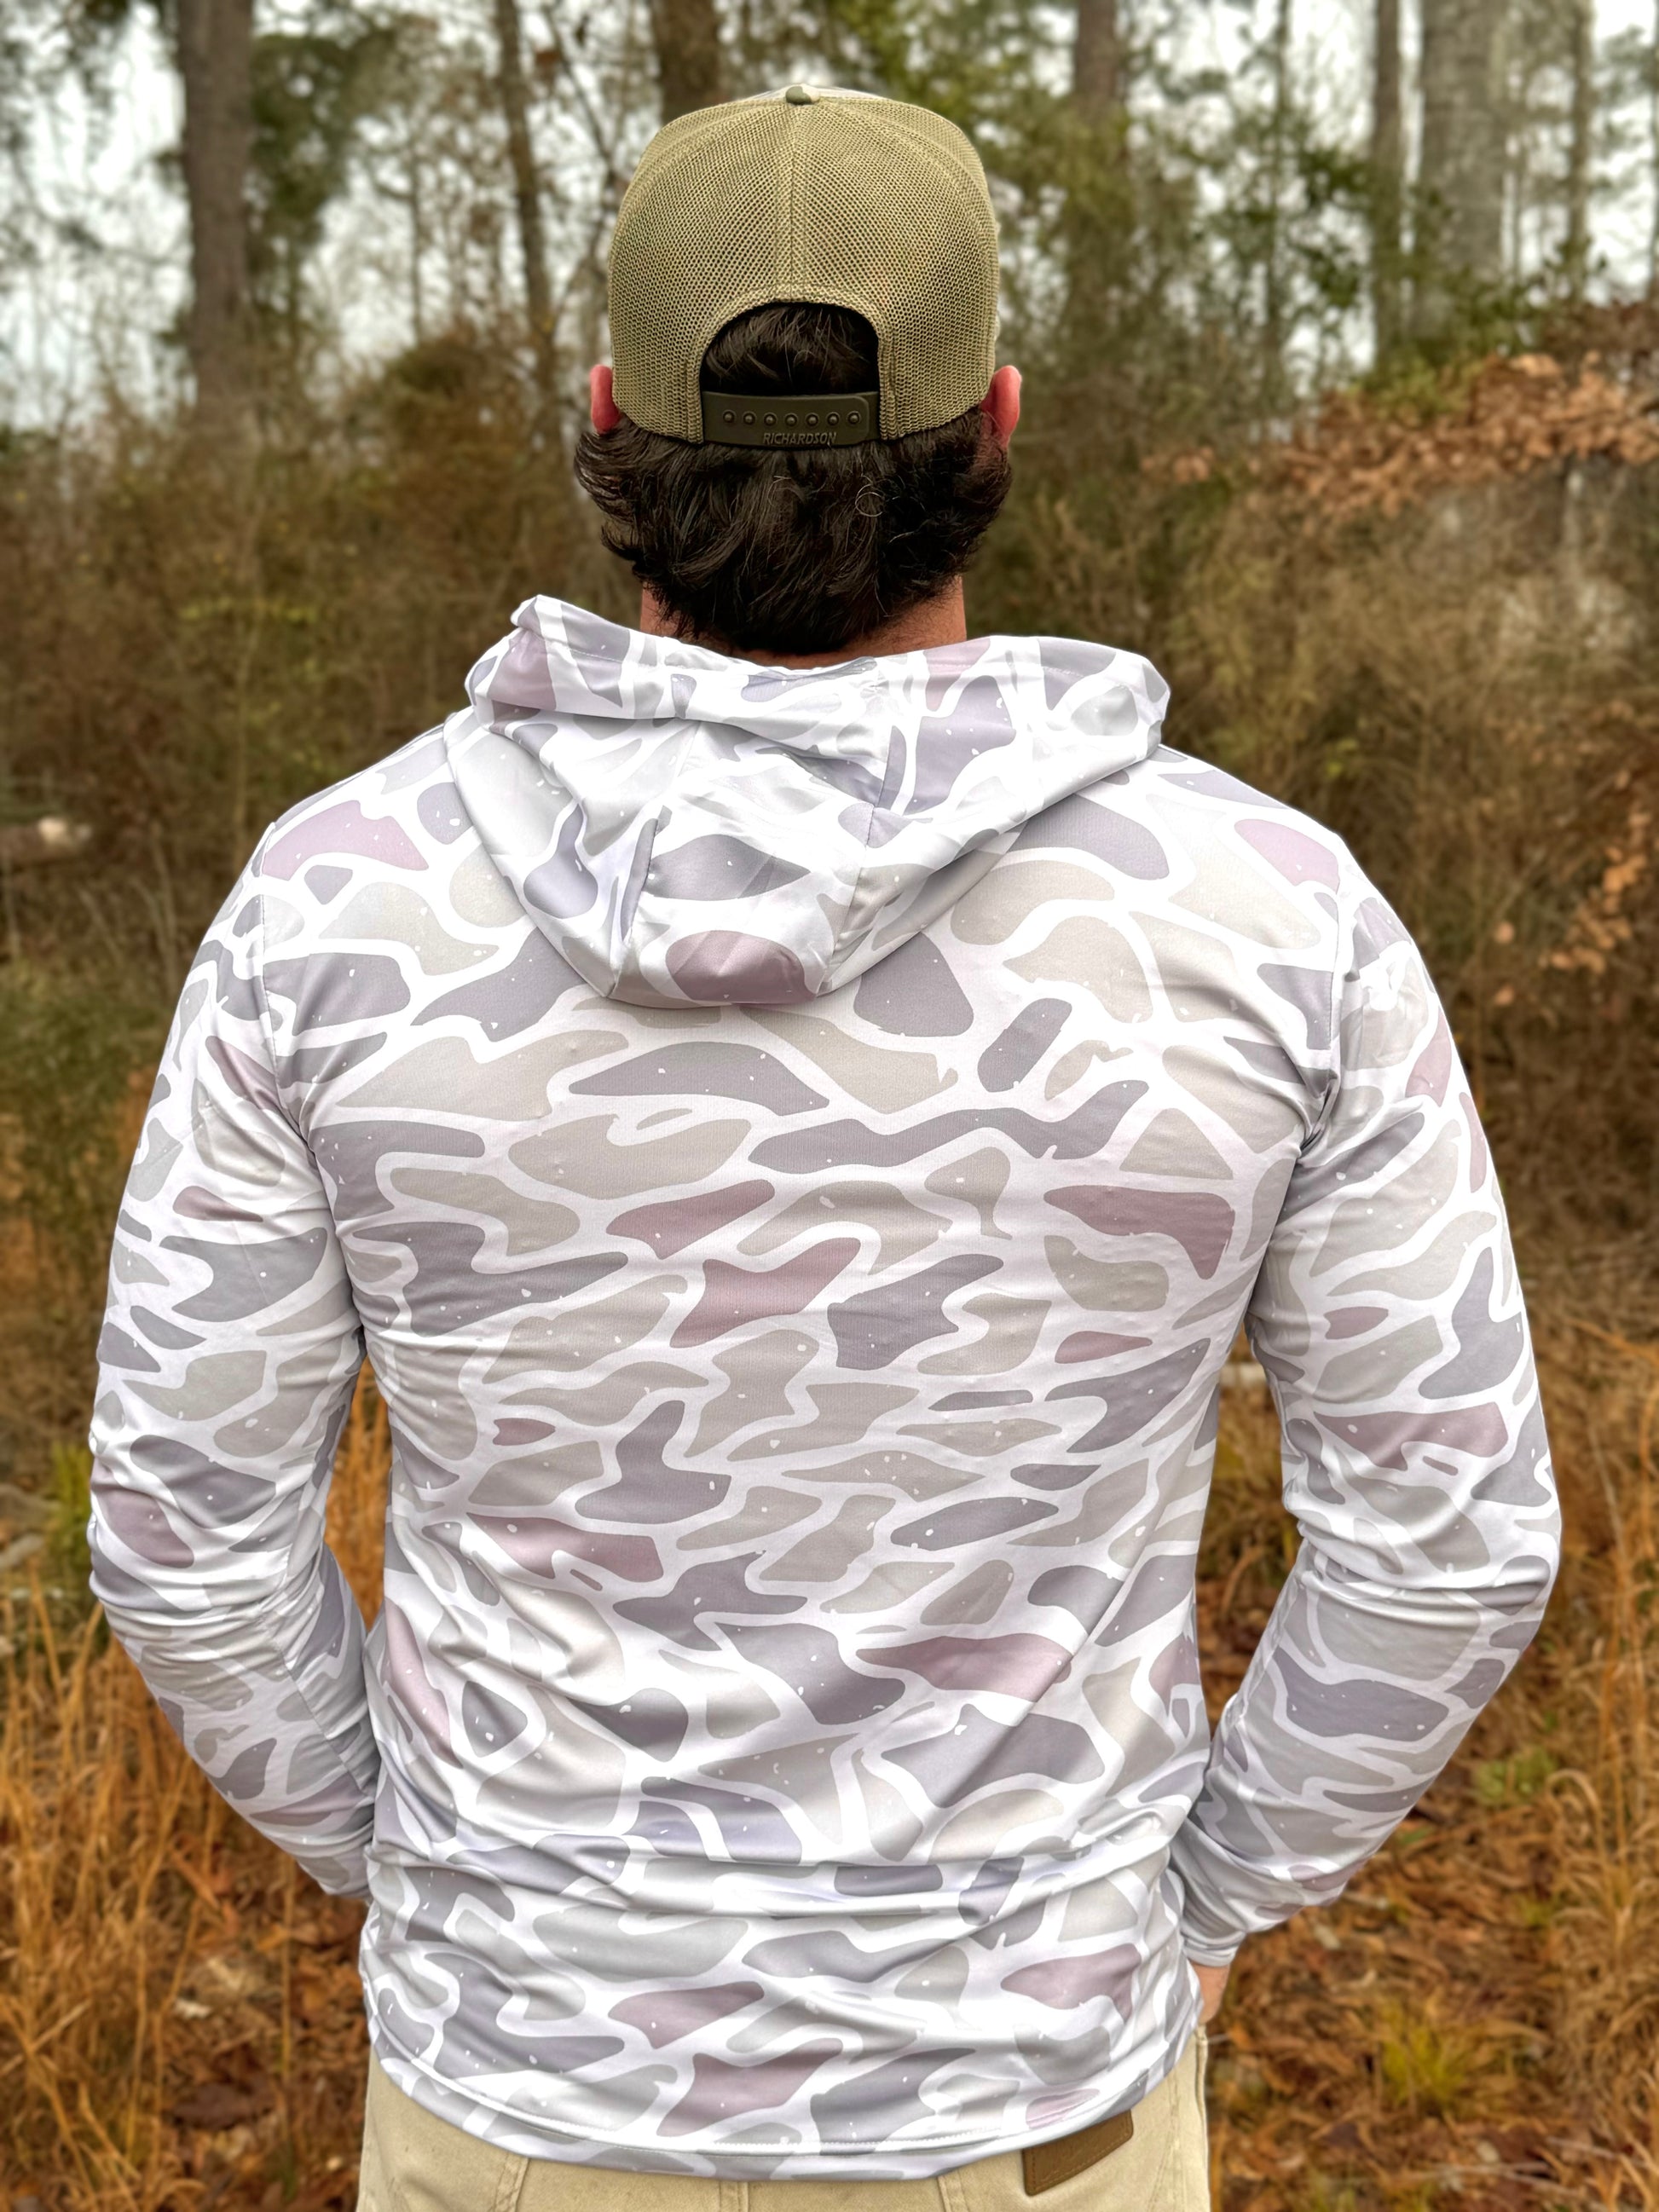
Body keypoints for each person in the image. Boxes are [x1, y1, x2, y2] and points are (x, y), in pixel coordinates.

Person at [89, 84, 1560, 2212]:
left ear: (610, 420)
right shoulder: (1267, 918)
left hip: (520, 2106)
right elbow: (1449, 1540)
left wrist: (442, 1876)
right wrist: (1206, 1900)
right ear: (996, 430)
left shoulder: (337, 906)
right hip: (1035, 2118)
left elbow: (184, 1529)